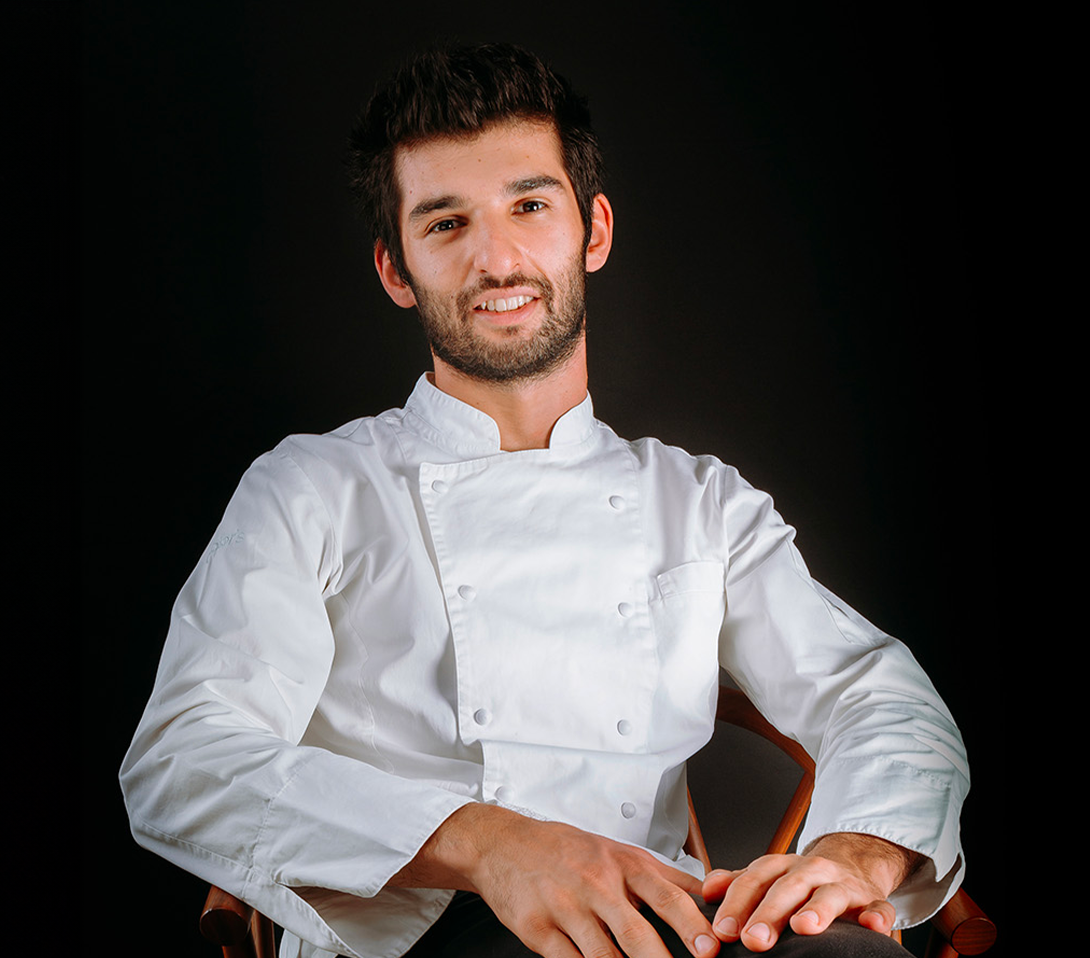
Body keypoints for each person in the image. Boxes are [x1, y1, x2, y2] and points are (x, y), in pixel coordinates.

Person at [120, 44, 968, 958]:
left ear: (592, 231)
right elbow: (184, 759)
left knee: (848, 951)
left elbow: (876, 691)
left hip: (659, 924)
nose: (497, 259)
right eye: (447, 223)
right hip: (416, 933)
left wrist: (854, 853)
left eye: (529, 206)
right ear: (397, 270)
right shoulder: (312, 488)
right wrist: (491, 845)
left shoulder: (699, 503)